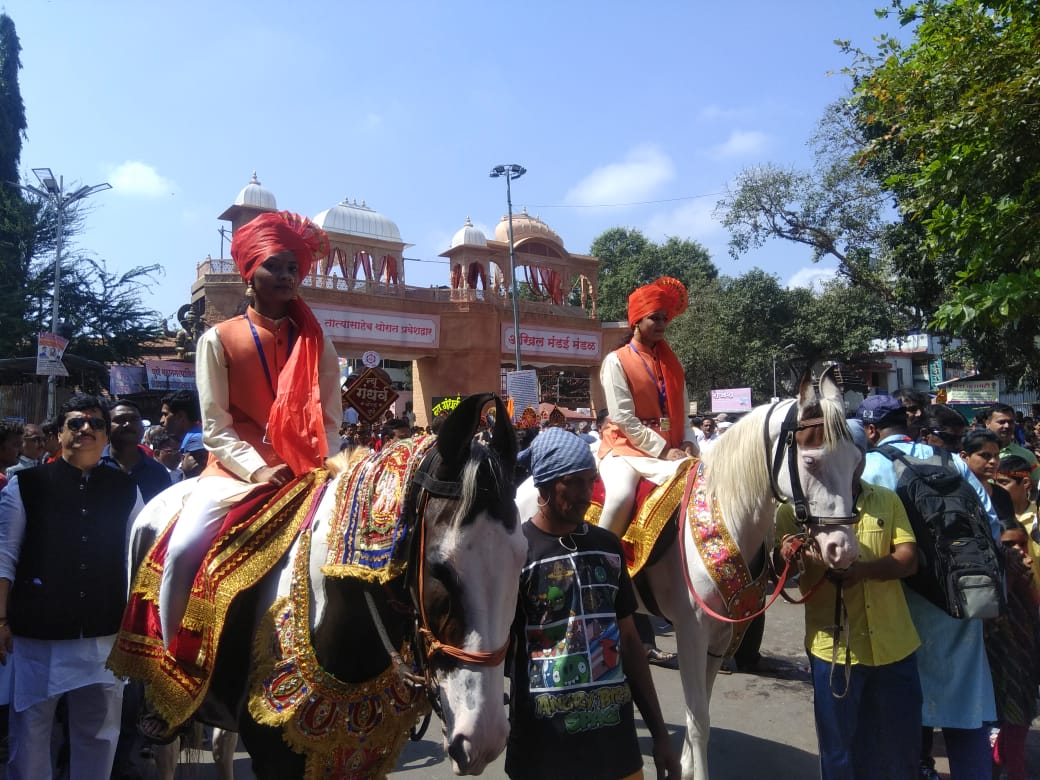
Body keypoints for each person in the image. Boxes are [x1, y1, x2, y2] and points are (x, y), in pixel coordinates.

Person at [157, 211, 342, 661]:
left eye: (292, 268)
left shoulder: (319, 343)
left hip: (307, 474)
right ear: (250, 273)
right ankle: (169, 663)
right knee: (182, 551)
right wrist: (259, 469)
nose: (285, 275)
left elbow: (332, 421)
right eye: (273, 266)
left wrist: (323, 468)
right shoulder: (218, 339)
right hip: (235, 475)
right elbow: (216, 427)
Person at [507, 427, 679, 780]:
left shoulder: (608, 546)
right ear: (546, 484)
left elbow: (630, 642)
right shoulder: (514, 552)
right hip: (543, 750)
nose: (588, 494)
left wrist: (660, 734)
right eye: (575, 482)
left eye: (591, 481)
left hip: (615, 747)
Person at [856, 395, 1000, 780]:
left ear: (871, 430)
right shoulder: (952, 461)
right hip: (961, 601)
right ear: (909, 424)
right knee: (967, 716)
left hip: (897, 608)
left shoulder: (866, 468)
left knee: (899, 716)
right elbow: (992, 529)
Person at [0, 394, 143, 779]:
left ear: (106, 435)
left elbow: (140, 562)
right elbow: (4, 558)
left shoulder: (125, 489)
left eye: (96, 424)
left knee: (98, 736)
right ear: (58, 432)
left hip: (103, 633)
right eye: (76, 423)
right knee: (30, 736)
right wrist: (0, 620)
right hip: (38, 634)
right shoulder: (26, 485)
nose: (86, 430)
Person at [777, 418, 921, 779]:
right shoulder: (791, 511)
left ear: (860, 458)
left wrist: (864, 572)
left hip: (894, 645)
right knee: (839, 750)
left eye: (851, 455)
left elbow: (908, 559)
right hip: (834, 649)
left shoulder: (886, 500)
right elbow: (783, 567)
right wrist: (795, 552)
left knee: (900, 745)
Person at [598, 277, 697, 538]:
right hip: (625, 449)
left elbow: (684, 415)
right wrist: (663, 450)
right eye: (655, 318)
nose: (662, 324)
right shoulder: (615, 361)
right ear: (637, 322)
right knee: (620, 496)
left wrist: (688, 442)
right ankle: (598, 558)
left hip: (673, 449)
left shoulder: (673, 365)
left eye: (665, 318)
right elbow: (622, 418)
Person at [971, 445, 1040, 780]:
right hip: (1002, 657)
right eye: (1011, 548)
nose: (1021, 556)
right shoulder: (991, 602)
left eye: (1022, 548)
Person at [100, 400, 172, 503]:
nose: (128, 424)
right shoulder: (93, 466)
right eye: (120, 419)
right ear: (106, 426)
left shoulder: (158, 472)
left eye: (134, 419)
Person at [985, 403, 1040, 487]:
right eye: (1002, 422)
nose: (1007, 426)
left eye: (1010, 422)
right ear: (987, 423)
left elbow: (1036, 485)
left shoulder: (1027, 456)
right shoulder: (976, 455)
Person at [158, 390, 202, 454]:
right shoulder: (193, 438)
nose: (161, 420)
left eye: (165, 414)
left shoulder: (195, 441)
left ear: (180, 416)